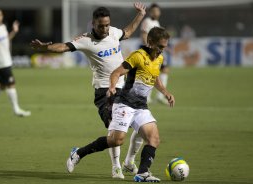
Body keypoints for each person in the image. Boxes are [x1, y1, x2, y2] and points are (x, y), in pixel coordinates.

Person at [30, 3, 146, 179]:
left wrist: (140, 15)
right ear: (93, 24)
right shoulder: (86, 40)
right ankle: (116, 167)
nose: (105, 28)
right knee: (115, 130)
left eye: (107, 24)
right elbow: (64, 47)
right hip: (105, 91)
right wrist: (45, 48)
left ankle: (129, 162)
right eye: (101, 25)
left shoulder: (113, 32)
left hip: (126, 88)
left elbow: (128, 32)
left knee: (143, 124)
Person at [66, 27, 175, 182]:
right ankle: (78, 153)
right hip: (125, 104)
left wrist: (165, 92)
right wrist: (111, 87)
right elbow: (116, 73)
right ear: (150, 42)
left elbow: (155, 76)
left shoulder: (159, 59)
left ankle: (143, 173)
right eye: (160, 47)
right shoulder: (138, 56)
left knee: (154, 139)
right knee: (116, 140)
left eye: (164, 47)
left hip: (141, 106)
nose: (162, 50)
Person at [0, 9, 31, 118]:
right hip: (0, 62)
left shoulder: (3, 27)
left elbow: (7, 39)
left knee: (1, 86)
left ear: (2, 16)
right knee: (11, 84)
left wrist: (14, 31)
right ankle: (16, 109)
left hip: (7, 60)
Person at [141, 3, 170, 104]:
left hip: (156, 51)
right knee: (151, 72)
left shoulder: (156, 23)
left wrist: (165, 49)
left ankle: (159, 96)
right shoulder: (147, 21)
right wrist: (148, 49)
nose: (156, 13)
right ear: (150, 12)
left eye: (157, 11)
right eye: (154, 11)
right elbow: (144, 35)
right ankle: (148, 96)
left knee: (163, 70)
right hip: (150, 51)